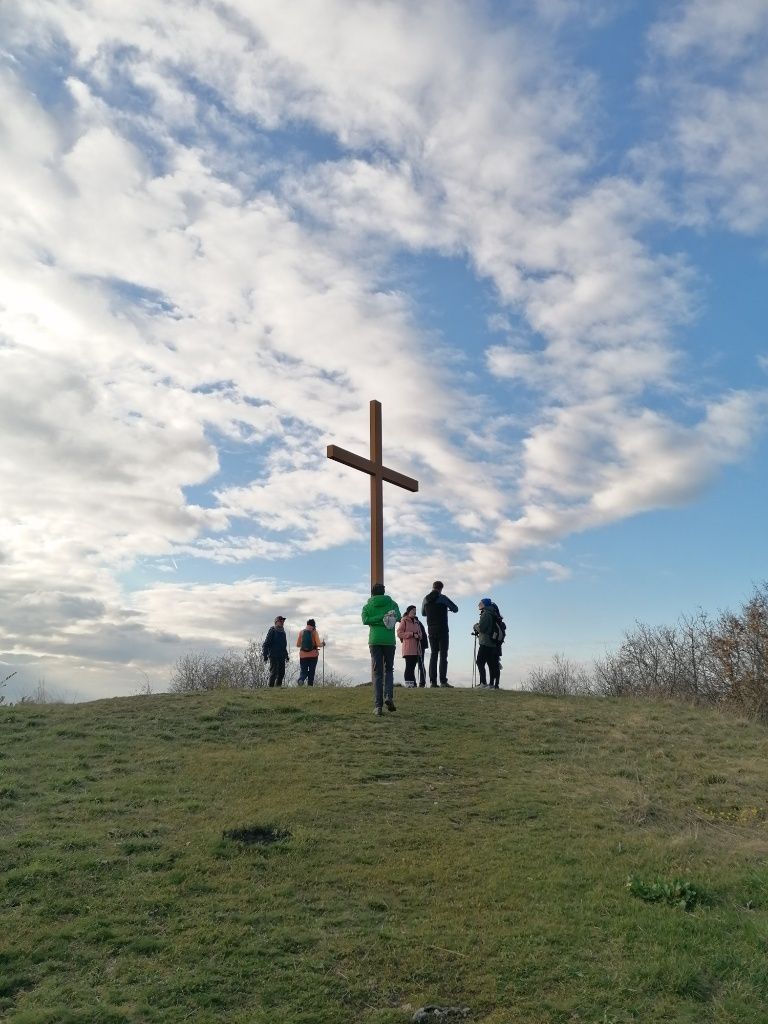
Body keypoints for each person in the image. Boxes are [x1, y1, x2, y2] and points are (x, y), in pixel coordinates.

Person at [361, 582, 401, 715]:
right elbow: (399, 617)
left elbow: (365, 620)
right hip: (389, 641)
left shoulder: (367, 606)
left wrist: (377, 619)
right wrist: (385, 617)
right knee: (389, 670)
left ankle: (378, 706)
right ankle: (388, 696)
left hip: (375, 640)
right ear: (384, 592)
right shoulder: (392, 604)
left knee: (378, 673)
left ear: (372, 593)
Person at [421, 580, 458, 687]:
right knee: (443, 655)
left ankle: (433, 682)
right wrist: (447, 608)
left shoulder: (425, 599)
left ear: (433, 587)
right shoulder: (443, 598)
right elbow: (455, 609)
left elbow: (423, 613)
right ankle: (443, 681)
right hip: (443, 629)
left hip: (431, 630)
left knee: (433, 654)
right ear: (441, 588)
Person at [474, 598, 499, 688]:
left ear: (485, 604)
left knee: (480, 662)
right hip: (491, 642)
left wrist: (475, 626)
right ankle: (491, 684)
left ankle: (483, 683)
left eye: (480, 603)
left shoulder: (486, 614)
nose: (478, 604)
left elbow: (481, 629)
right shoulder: (492, 613)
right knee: (490, 663)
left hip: (485, 642)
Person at [397, 605, 423, 687]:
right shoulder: (404, 621)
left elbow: (420, 633)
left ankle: (413, 684)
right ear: (408, 612)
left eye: (415, 610)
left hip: (416, 648)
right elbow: (399, 633)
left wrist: (419, 636)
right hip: (408, 648)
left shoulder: (416, 622)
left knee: (412, 667)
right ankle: (409, 684)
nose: (414, 612)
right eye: (413, 610)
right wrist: (411, 634)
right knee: (409, 667)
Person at [262, 615, 289, 687]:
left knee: (282, 673)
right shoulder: (272, 631)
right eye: (280, 621)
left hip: (281, 655)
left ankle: (278, 688)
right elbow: (266, 644)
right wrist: (265, 655)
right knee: (274, 672)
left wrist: (286, 655)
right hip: (273, 655)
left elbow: (284, 646)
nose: (282, 622)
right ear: (276, 622)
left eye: (283, 621)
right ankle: (270, 689)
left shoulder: (283, 632)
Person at [296, 618, 324, 686]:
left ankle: (301, 679)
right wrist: (323, 644)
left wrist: (304, 646)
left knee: (303, 671)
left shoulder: (301, 632)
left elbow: (297, 645)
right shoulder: (314, 632)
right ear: (314, 625)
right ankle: (310, 686)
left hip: (303, 655)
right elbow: (318, 644)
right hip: (313, 655)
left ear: (307, 625)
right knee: (311, 671)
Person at [489, 602, 506, 689]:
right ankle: (496, 684)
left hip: (492, 645)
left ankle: (492, 683)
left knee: (491, 665)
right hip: (498, 646)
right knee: (495, 665)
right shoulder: (500, 621)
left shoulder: (493, 619)